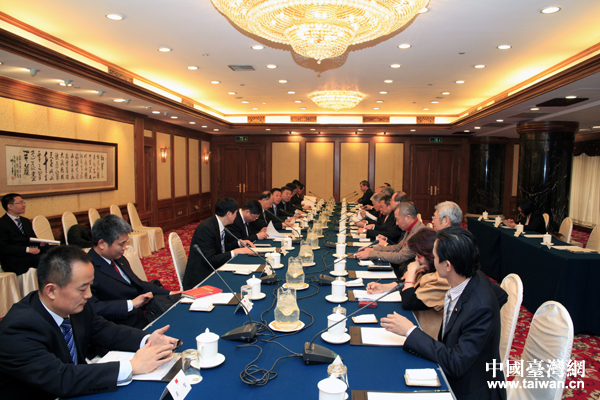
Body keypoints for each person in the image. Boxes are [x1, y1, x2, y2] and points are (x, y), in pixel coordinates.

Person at [0, 245, 179, 399]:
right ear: (51, 291)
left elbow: (103, 329)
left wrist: (147, 340)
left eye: (90, 286)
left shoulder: (74, 305)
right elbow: (61, 378)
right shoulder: (18, 329)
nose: (89, 295)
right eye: (82, 289)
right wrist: (132, 366)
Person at [380, 227, 507, 400]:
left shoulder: (481, 307)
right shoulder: (468, 277)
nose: (431, 259)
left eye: (434, 256)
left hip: (469, 390)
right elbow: (501, 295)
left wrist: (410, 331)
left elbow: (456, 363)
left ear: (447, 265)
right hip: (454, 365)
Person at [88, 215, 175, 328]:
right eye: (121, 244)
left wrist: (170, 293)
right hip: (121, 326)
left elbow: (138, 283)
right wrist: (131, 304)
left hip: (145, 314)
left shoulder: (118, 258)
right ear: (102, 244)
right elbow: (92, 307)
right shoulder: (87, 268)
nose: (125, 247)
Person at [367, 228, 450, 338]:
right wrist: (383, 287)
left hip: (425, 335)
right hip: (413, 325)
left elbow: (408, 302)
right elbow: (404, 283)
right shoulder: (428, 268)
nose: (416, 259)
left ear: (431, 255)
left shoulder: (441, 279)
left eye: (419, 256)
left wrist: (411, 272)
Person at [182, 197, 255, 290]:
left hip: (214, 269)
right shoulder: (206, 229)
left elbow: (222, 248)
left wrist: (239, 243)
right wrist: (235, 252)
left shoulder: (218, 225)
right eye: (236, 212)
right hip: (202, 278)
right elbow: (210, 260)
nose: (236, 216)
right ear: (229, 214)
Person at [355, 202, 424, 278]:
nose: (396, 223)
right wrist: (373, 249)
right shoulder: (411, 228)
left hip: (405, 273)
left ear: (408, 218)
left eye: (397, 219)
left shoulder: (418, 233)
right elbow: (397, 247)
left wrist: (370, 254)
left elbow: (400, 257)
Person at [0, 193, 47, 275]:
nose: (24, 205)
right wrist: (27, 249)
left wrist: (40, 243)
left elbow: (32, 238)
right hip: (15, 258)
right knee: (48, 259)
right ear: (10, 206)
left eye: (23, 202)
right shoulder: (2, 223)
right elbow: (4, 247)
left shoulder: (25, 221)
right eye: (20, 203)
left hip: (30, 253)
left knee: (56, 250)